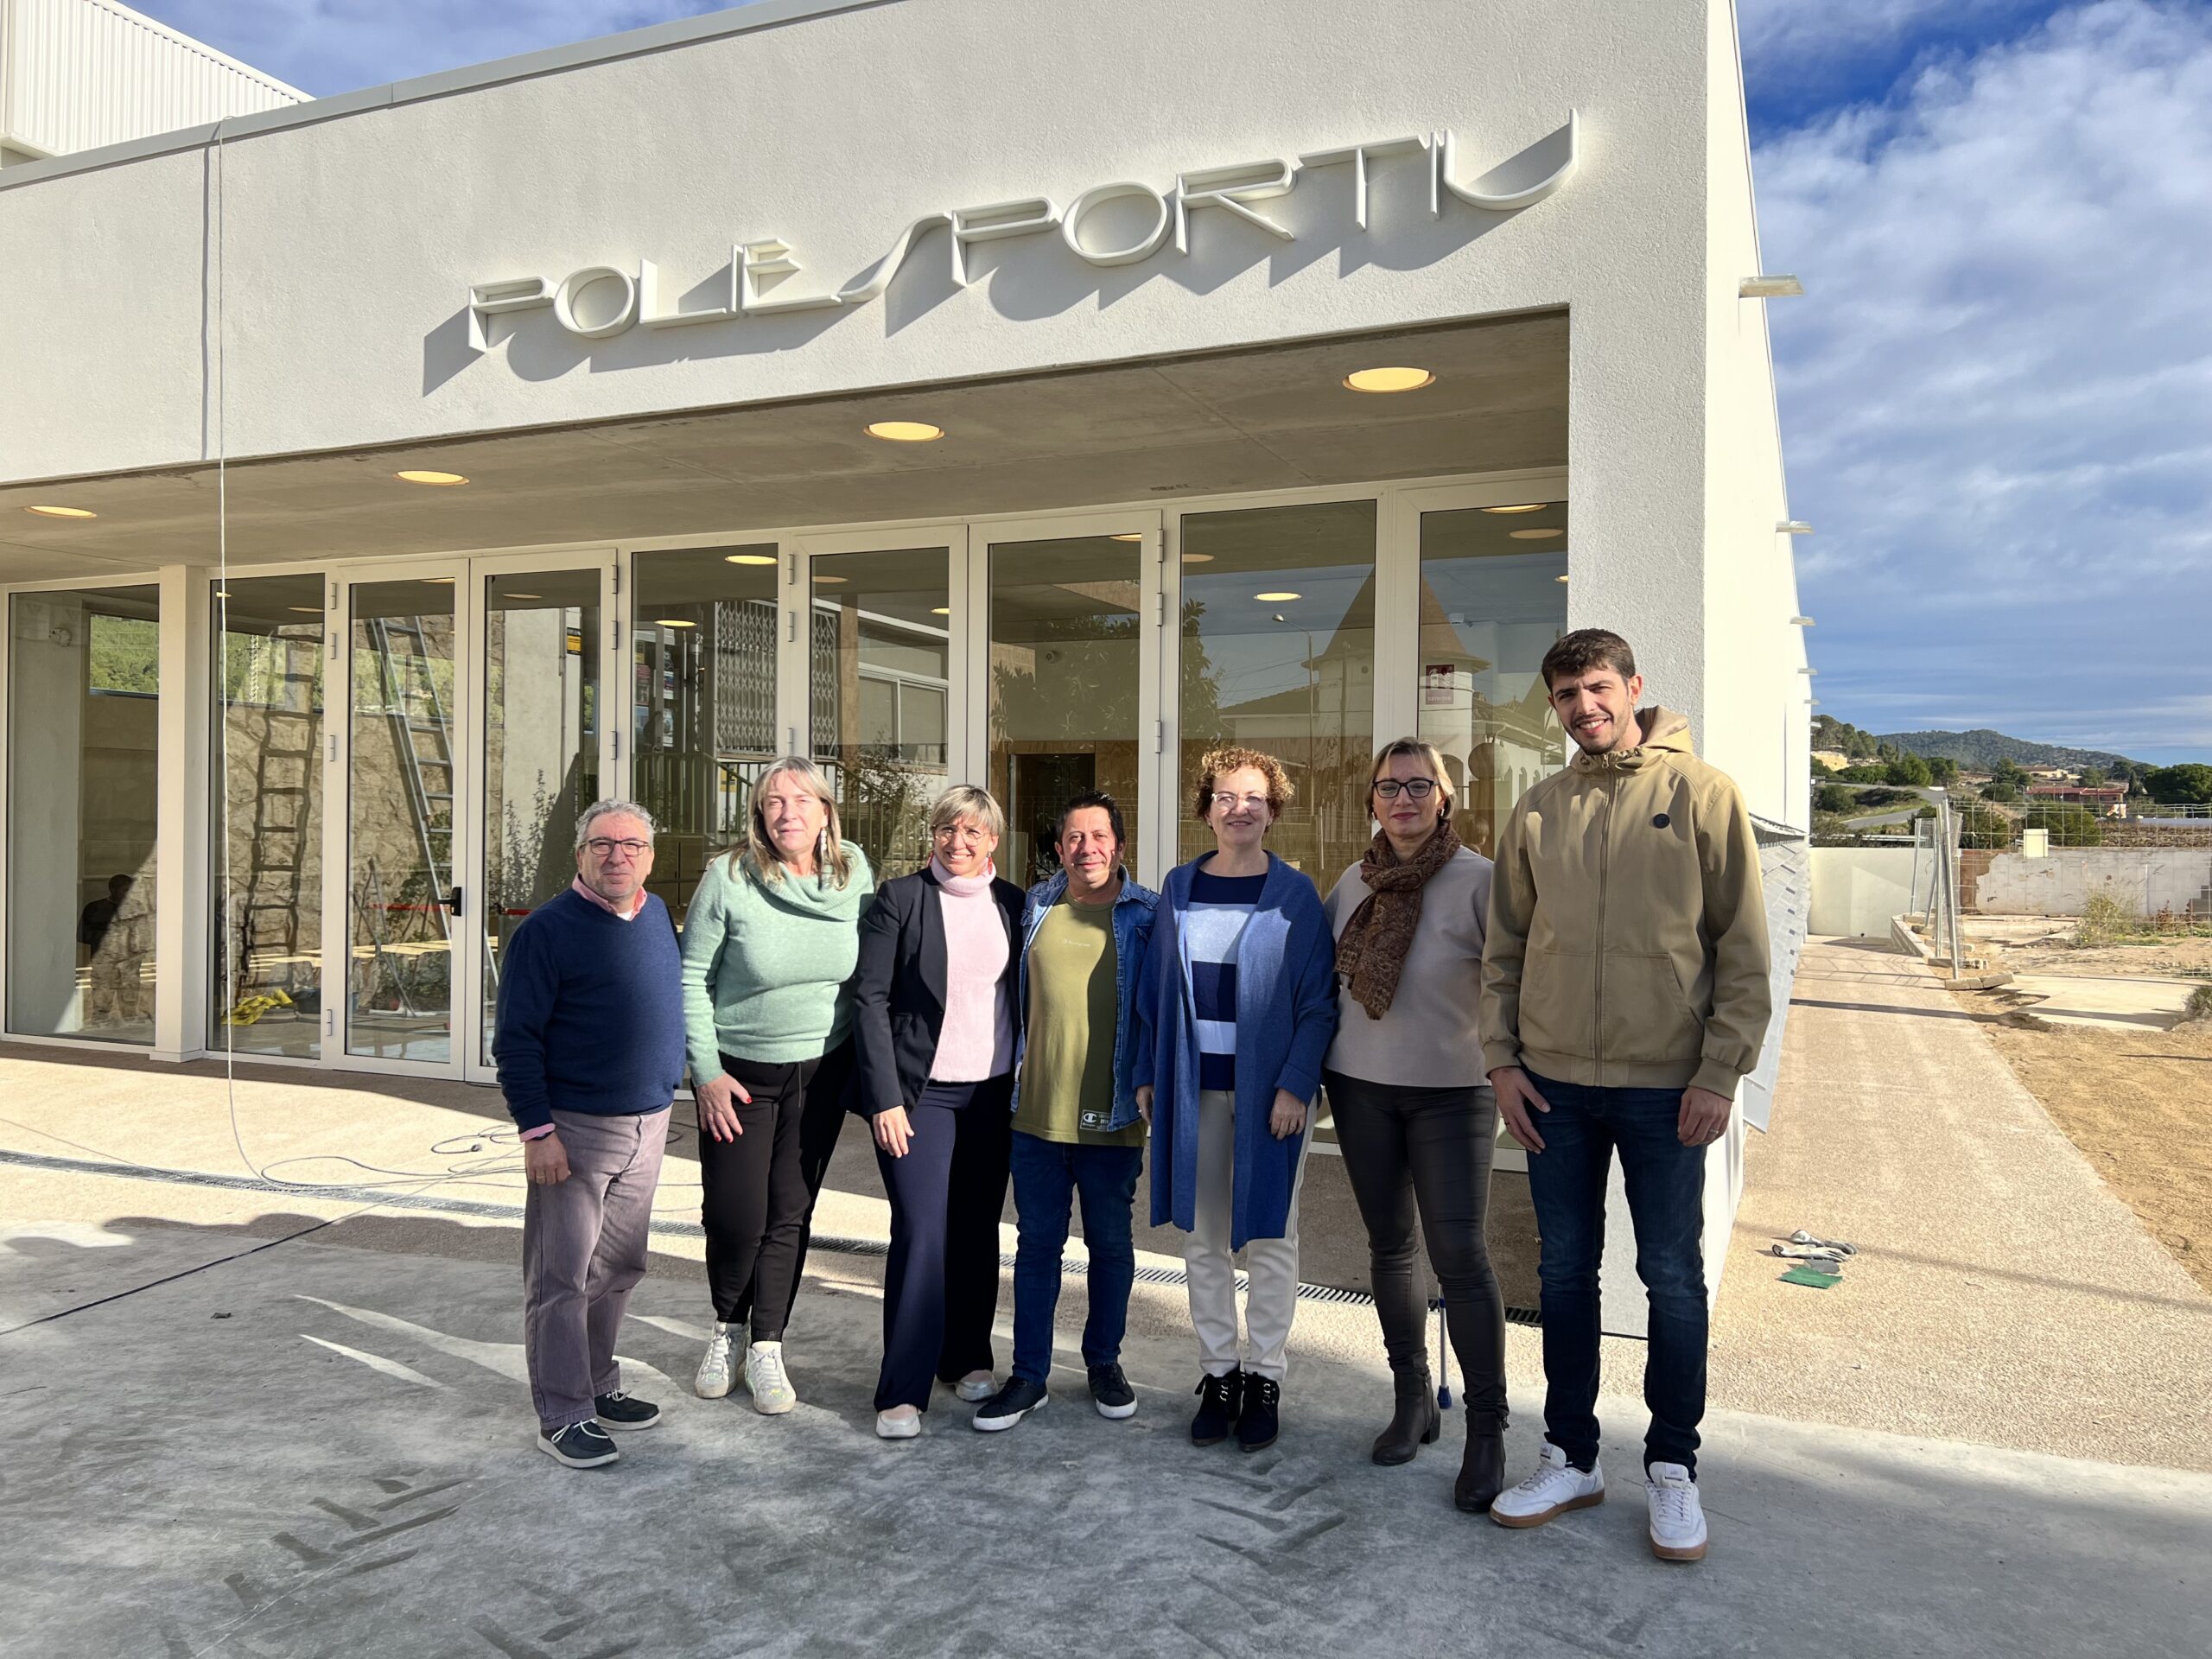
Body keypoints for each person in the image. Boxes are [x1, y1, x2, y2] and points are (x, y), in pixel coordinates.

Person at [1480, 630, 1771, 1561]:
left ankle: (1673, 1467)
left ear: (1633, 687)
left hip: (1667, 1089)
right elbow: (1503, 950)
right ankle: (1570, 1456)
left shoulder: (1704, 795)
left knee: (1672, 1279)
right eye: (1567, 695)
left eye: (1598, 687)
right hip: (1552, 1086)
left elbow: (1742, 948)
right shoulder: (1538, 810)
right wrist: (1502, 1062)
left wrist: (1720, 1071)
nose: (1584, 707)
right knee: (1564, 1275)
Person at [1323, 738, 1510, 1513]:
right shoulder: (1351, 882)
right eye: (1389, 786)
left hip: (1452, 1094)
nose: (1403, 798)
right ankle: (1412, 1399)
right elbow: (1324, 983)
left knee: (1460, 1257)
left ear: (1445, 798)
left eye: (1418, 785)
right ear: (1372, 799)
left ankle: (1488, 1429)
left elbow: (1512, 985)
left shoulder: (1481, 881)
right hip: (1360, 1087)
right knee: (1391, 1246)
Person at [1135, 747, 1338, 1452]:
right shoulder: (1179, 888)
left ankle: (1266, 1376)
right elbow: (1153, 994)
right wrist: (1147, 1073)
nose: (1240, 809)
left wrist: (1295, 1085)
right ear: (1207, 808)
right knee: (1205, 1239)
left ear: (1273, 811)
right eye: (1226, 796)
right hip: (1194, 1093)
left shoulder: (1295, 895)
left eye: (1254, 798)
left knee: (1273, 1238)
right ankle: (1220, 1373)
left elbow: (1318, 1003)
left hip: (1271, 1100)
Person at [495, 799, 686, 1470]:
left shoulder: (656, 917)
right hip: (574, 1131)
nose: (617, 857)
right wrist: (537, 1131)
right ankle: (562, 1414)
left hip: (650, 1125)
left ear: (650, 858)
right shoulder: (546, 932)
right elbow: (516, 1041)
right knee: (561, 1278)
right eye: (603, 844)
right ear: (580, 855)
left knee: (619, 1267)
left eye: (632, 845)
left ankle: (599, 1383)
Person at [679, 758, 874, 1414]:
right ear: (759, 815)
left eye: (800, 800)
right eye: (773, 802)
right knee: (736, 1215)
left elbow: (869, 973)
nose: (787, 812)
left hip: (821, 1071)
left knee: (790, 1211)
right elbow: (692, 978)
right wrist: (705, 1074)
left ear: (825, 811)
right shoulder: (729, 877)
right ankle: (727, 1328)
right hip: (739, 1076)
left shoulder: (853, 873)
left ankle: (767, 1343)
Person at [972, 791, 1158, 1433]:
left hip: (1114, 1115)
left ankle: (1104, 1362)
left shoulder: (1148, 916)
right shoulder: (1035, 908)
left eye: (1099, 836)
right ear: (1058, 849)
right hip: (1036, 1116)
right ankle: (1029, 1376)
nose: (1087, 848)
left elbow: (1161, 1010)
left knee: (1110, 1246)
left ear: (1120, 846)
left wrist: (1152, 1082)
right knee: (1036, 1248)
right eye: (1074, 837)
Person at [851, 785, 1025, 1440]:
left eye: (973, 831)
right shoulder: (901, 899)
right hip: (919, 1097)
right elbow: (869, 1000)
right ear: (934, 835)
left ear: (992, 841)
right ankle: (902, 1388)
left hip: (992, 1094)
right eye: (948, 829)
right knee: (922, 1233)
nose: (958, 842)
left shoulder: (1013, 903)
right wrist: (884, 1098)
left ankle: (968, 1356)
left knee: (977, 1229)